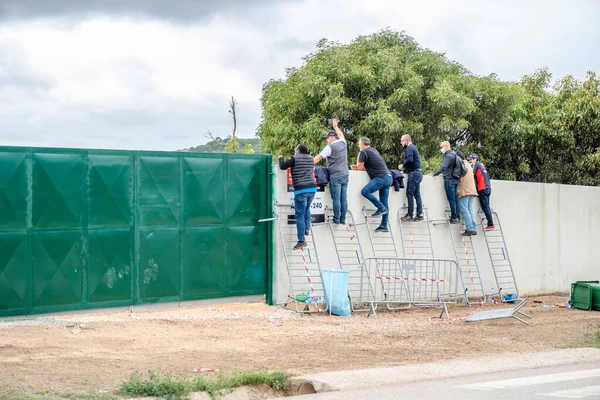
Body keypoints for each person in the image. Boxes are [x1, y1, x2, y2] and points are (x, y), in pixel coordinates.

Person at [279, 144, 317, 250]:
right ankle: (307, 229)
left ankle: (301, 240)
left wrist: (281, 158)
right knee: (307, 209)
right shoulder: (311, 159)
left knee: (299, 214)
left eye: (296, 149)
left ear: (298, 150)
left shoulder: (294, 158)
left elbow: (283, 166)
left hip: (301, 190)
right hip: (312, 188)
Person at [351, 137, 393, 232]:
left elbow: (360, 168)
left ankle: (380, 208)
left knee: (365, 191)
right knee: (384, 201)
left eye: (358, 144)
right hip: (389, 177)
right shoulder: (374, 150)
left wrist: (357, 163)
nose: (358, 146)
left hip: (380, 178)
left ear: (362, 144)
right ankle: (384, 225)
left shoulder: (363, 152)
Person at [314, 119, 349, 224]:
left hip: (336, 176)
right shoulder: (343, 143)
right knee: (343, 198)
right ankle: (343, 219)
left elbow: (318, 158)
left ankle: (336, 219)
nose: (326, 140)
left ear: (332, 138)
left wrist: (305, 163)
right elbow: (341, 135)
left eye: (327, 138)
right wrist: (335, 126)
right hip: (345, 175)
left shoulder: (329, 147)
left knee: (336, 199)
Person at [398, 134, 423, 222]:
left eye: (402, 141)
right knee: (417, 194)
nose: (401, 143)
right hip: (418, 172)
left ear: (407, 140)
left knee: (409, 193)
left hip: (414, 173)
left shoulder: (410, 148)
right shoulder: (413, 148)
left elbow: (409, 160)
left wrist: (402, 165)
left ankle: (410, 214)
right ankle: (419, 214)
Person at [433, 141, 460, 223]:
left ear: (446, 146)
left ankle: (454, 217)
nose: (441, 149)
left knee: (451, 199)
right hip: (455, 178)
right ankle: (457, 216)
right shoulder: (455, 155)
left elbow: (444, 167)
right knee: (455, 198)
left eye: (442, 147)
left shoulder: (449, 156)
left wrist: (435, 173)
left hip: (449, 179)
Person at [467, 153, 495, 230]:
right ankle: (488, 220)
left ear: (475, 159)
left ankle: (490, 223)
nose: (470, 161)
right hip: (488, 188)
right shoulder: (482, 165)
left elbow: (471, 174)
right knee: (487, 206)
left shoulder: (476, 164)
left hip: (482, 188)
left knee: (485, 207)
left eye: (471, 159)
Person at [457, 154, 478, 236]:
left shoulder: (461, 165)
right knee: (470, 209)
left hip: (465, 190)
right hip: (472, 190)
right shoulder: (468, 165)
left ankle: (469, 228)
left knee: (464, 209)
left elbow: (455, 175)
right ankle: (474, 228)